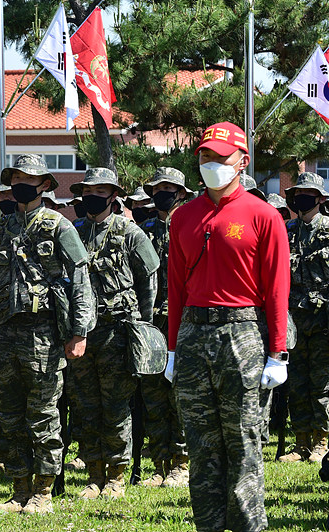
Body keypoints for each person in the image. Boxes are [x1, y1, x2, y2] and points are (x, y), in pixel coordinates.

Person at [167, 122, 290, 532]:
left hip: (243, 335)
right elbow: (176, 288)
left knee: (243, 446)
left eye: (221, 156)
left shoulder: (262, 215)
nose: (212, 164)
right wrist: (171, 348)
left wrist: (277, 352)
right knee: (201, 448)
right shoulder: (183, 216)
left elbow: (276, 288)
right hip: (193, 334)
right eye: (205, 156)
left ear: (243, 160)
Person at [0, 154, 94, 513]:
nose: (21, 184)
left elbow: (80, 279)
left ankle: (43, 492)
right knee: (7, 413)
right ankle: (19, 488)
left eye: (29, 178)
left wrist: (78, 332)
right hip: (3, 334)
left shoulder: (59, 227)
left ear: (44, 185)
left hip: (44, 333)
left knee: (43, 414)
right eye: (16, 178)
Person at [70, 167, 159, 500]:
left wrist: (144, 325)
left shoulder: (130, 233)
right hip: (82, 334)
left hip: (117, 332)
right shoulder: (74, 231)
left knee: (116, 406)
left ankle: (117, 476)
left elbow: (149, 277)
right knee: (86, 406)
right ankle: (94, 473)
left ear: (112, 195)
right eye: (87, 191)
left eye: (99, 190)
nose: (92, 196)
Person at [137, 167, 192, 488]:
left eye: (169, 188)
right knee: (154, 396)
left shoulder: (193, 228)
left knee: (180, 397)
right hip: (152, 325)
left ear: (181, 193)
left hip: (184, 323)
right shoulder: (142, 232)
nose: (163, 193)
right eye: (158, 188)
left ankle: (181, 464)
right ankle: (159, 463)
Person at [279, 172, 329, 463]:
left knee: (321, 383)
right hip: (294, 320)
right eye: (298, 192)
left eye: (308, 193)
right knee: (297, 383)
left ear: (320, 198)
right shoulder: (286, 230)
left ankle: (321, 441)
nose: (301, 198)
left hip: (323, 319)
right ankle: (300, 442)